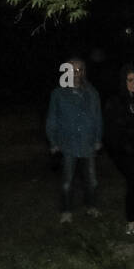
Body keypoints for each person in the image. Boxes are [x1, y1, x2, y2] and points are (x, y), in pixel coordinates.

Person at [46, 56, 103, 224]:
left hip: (88, 142)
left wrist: (98, 138)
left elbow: (98, 117)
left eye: (80, 70)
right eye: (72, 70)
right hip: (67, 143)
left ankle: (91, 206)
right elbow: (52, 119)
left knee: (92, 180)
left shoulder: (92, 93)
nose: (76, 73)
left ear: (84, 72)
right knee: (66, 182)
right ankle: (66, 211)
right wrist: (53, 142)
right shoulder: (58, 93)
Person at [104, 63, 134, 235]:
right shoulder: (116, 101)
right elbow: (112, 130)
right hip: (124, 153)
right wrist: (122, 148)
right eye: (130, 80)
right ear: (123, 81)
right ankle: (131, 224)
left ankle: (133, 220)